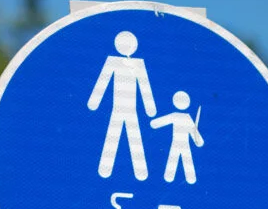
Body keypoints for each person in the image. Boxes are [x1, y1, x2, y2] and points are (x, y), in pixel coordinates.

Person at [87, 31, 156, 180]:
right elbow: (102, 82)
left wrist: (150, 108)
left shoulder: (137, 64)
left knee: (132, 135)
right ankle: (107, 170)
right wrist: (94, 101)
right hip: (119, 109)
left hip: (130, 110)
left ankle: (141, 172)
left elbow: (145, 86)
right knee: (117, 134)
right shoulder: (113, 62)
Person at [150, 91, 204, 184]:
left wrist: (199, 141)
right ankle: (182, 178)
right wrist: (199, 142)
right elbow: (155, 123)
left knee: (179, 158)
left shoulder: (180, 117)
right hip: (180, 143)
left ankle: (182, 178)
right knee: (181, 158)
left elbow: (155, 123)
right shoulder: (185, 117)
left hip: (180, 143)